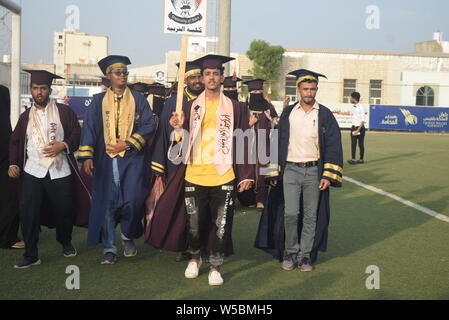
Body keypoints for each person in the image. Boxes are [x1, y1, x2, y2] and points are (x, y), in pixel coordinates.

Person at [147, 54, 255, 286]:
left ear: (222, 78)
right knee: (193, 223)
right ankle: (195, 258)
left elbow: (244, 141)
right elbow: (179, 147)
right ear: (203, 77)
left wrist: (246, 175)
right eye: (208, 74)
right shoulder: (189, 107)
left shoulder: (236, 107)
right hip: (194, 173)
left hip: (224, 174)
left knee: (222, 225)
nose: (212, 77)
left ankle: (215, 265)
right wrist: (177, 129)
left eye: (216, 74)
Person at [255, 69, 343, 272]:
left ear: (317, 89)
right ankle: (290, 252)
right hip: (290, 170)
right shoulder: (288, 113)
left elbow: (333, 145)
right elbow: (277, 142)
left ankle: (304, 256)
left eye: (312, 89)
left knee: (311, 216)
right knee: (291, 213)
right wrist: (273, 171)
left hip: (313, 172)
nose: (309, 93)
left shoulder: (325, 114)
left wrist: (328, 175)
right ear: (298, 89)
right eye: (305, 89)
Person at [9, 70, 91, 269]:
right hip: (33, 170)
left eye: (43, 88)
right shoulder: (25, 117)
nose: (39, 92)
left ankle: (65, 242)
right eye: (36, 88)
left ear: (49, 90)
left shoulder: (64, 112)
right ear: (31, 90)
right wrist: (13, 163)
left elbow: (76, 133)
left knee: (65, 211)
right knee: (28, 212)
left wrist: (63, 145)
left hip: (59, 169)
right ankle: (31, 254)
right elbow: (15, 141)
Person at [79, 55, 156, 265]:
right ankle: (110, 248)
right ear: (108, 76)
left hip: (132, 159)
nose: (123, 76)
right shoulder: (97, 101)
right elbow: (89, 129)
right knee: (108, 204)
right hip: (106, 161)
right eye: (118, 73)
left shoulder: (138, 99)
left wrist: (128, 143)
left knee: (132, 201)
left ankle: (127, 235)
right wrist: (87, 156)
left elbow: (149, 125)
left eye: (125, 72)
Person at [148, 61, 204, 263]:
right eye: (192, 77)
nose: (197, 81)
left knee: (202, 205)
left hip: (202, 159)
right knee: (183, 206)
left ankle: (202, 244)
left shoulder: (209, 100)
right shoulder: (174, 102)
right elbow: (163, 132)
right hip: (178, 158)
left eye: (199, 77)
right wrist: (159, 164)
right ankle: (185, 245)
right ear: (185, 80)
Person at [240, 79, 279, 209]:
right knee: (249, 172)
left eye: (259, 91)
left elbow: (276, 125)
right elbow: (236, 130)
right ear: (249, 93)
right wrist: (248, 124)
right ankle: (248, 199)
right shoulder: (243, 108)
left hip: (265, 145)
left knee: (264, 172)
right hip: (247, 147)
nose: (256, 93)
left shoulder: (269, 108)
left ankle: (261, 200)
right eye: (253, 91)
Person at [0, 85, 22, 250]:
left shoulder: (3, 91)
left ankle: (8, 236)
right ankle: (7, 237)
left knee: (9, 195)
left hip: (4, 152)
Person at [348, 92, 366, 165]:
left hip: (360, 128)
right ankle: (353, 159)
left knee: (360, 144)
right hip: (353, 127)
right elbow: (350, 113)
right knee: (353, 144)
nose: (350, 99)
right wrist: (339, 112)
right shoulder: (354, 106)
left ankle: (361, 159)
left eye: (351, 97)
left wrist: (358, 130)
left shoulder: (361, 107)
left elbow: (363, 120)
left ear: (354, 98)